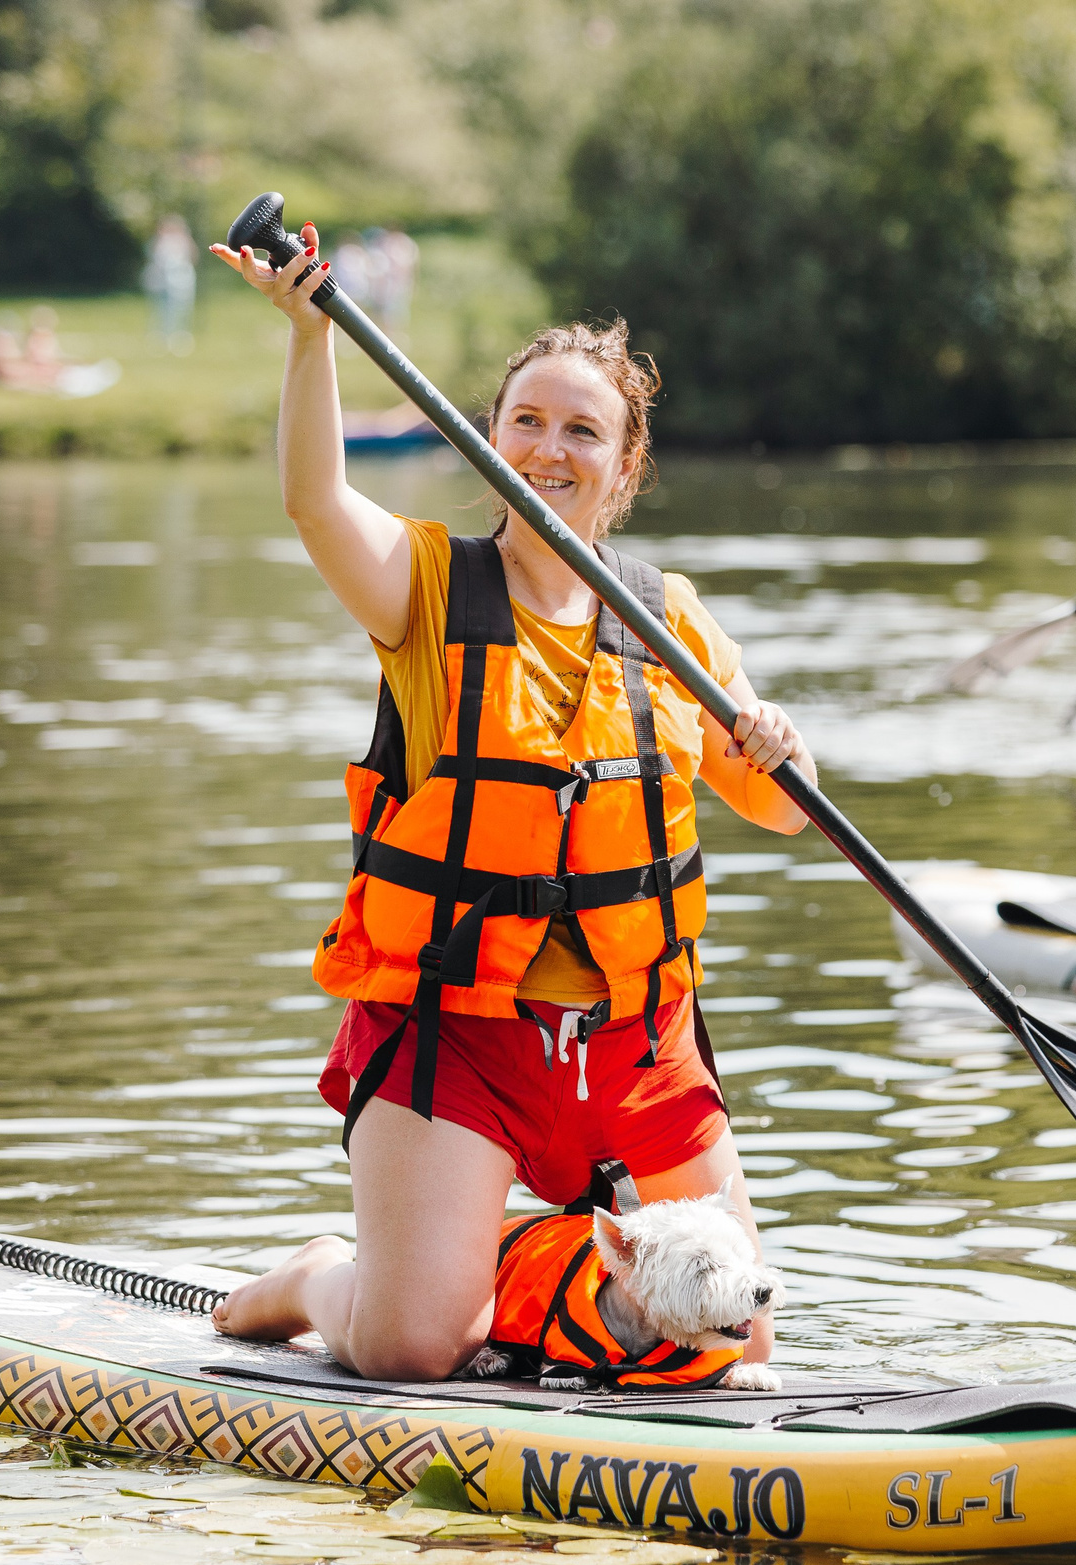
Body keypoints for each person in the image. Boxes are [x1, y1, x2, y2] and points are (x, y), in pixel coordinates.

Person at [201, 223, 813, 1383]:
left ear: (622, 470)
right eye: (525, 421)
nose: (548, 447)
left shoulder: (669, 619)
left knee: (735, 1340)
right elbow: (315, 501)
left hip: (638, 1048)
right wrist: (306, 340)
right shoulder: (427, 586)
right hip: (458, 1039)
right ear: (491, 440)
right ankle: (325, 1275)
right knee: (410, 1347)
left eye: (582, 430)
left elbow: (786, 808)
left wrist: (785, 746)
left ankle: (523, 1268)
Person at [141, 215, 196, 351]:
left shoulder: (183, 241)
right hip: (162, 281)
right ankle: (160, 337)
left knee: (181, 310)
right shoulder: (159, 241)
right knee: (161, 310)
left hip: (181, 280)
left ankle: (179, 336)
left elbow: (193, 257)